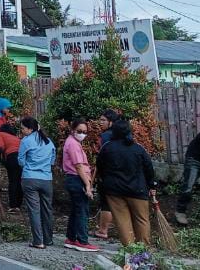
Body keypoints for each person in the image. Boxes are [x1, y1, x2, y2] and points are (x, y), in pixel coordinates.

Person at [96, 118, 156, 247]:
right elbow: (149, 168)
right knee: (142, 220)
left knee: (122, 221)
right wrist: (152, 185)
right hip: (137, 190)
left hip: (114, 190)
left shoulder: (107, 148)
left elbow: (99, 166)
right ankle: (143, 250)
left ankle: (130, 250)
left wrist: (104, 181)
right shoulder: (138, 148)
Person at [62, 117, 100, 253]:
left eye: (85, 131)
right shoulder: (73, 144)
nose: (82, 134)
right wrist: (87, 184)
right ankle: (82, 240)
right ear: (73, 130)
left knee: (76, 210)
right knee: (82, 210)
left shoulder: (74, 142)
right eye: (79, 131)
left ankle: (71, 238)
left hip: (75, 178)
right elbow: (78, 166)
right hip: (77, 178)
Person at [18, 116, 56, 250]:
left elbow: (21, 161)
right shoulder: (49, 141)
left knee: (34, 210)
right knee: (47, 209)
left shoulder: (26, 141)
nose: (21, 131)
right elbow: (52, 161)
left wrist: (29, 166)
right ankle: (48, 239)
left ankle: (38, 240)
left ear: (30, 129)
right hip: (46, 179)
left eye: (23, 128)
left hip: (30, 178)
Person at [93, 108, 122, 241]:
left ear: (111, 122)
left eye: (103, 120)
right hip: (122, 174)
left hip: (108, 174)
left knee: (106, 203)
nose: (100, 122)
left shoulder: (105, 137)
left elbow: (101, 157)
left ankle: (103, 230)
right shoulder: (121, 135)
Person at [0, 119, 23, 210]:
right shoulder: (15, 137)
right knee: (19, 180)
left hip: (12, 156)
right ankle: (19, 203)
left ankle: (13, 205)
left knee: (12, 181)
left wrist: (2, 156)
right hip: (21, 157)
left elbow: (0, 146)